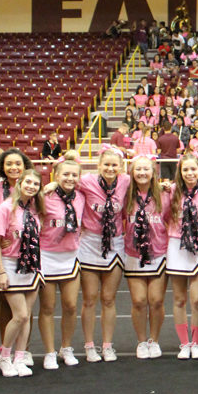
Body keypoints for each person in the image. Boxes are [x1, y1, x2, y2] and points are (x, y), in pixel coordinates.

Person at [75, 146, 130, 362]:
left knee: (108, 298)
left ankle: (107, 345)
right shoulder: (87, 181)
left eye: (114, 165)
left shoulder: (125, 181)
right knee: (89, 299)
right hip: (90, 243)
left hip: (115, 243)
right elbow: (65, 180)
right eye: (106, 164)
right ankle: (89, 345)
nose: (110, 168)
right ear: (99, 166)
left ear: (120, 166)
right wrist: (51, 183)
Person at [0, 169, 45, 377]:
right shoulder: (5, 208)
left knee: (26, 317)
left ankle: (20, 358)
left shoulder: (32, 209)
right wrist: (1, 271)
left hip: (30, 266)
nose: (31, 186)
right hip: (10, 264)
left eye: (36, 184)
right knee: (20, 315)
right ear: (19, 183)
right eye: (28, 182)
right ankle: (4, 357)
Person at [0, 148, 35, 367]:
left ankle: (22, 351)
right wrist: (1, 238)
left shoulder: (34, 190)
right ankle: (4, 351)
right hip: (5, 255)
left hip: (28, 257)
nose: (14, 167)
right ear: (2, 167)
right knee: (6, 306)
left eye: (18, 163)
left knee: (25, 311)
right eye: (9, 164)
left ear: (25, 166)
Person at [38, 155, 85, 370]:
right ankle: (49, 351)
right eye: (65, 174)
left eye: (74, 175)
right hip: (47, 255)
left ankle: (66, 347)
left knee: (71, 305)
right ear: (56, 176)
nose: (70, 178)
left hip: (70, 256)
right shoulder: (44, 196)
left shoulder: (81, 196)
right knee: (47, 307)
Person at [122, 155, 169, 359]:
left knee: (156, 300)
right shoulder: (124, 194)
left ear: (154, 172)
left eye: (146, 169)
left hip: (158, 252)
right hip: (133, 252)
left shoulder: (165, 194)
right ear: (132, 172)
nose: (142, 173)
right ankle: (141, 341)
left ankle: (154, 340)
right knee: (139, 301)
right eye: (138, 169)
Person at [166, 154, 198, 359]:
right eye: (186, 170)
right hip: (177, 245)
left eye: (193, 169)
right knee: (178, 299)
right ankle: (184, 343)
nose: (190, 173)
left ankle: (196, 342)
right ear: (180, 172)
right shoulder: (172, 191)